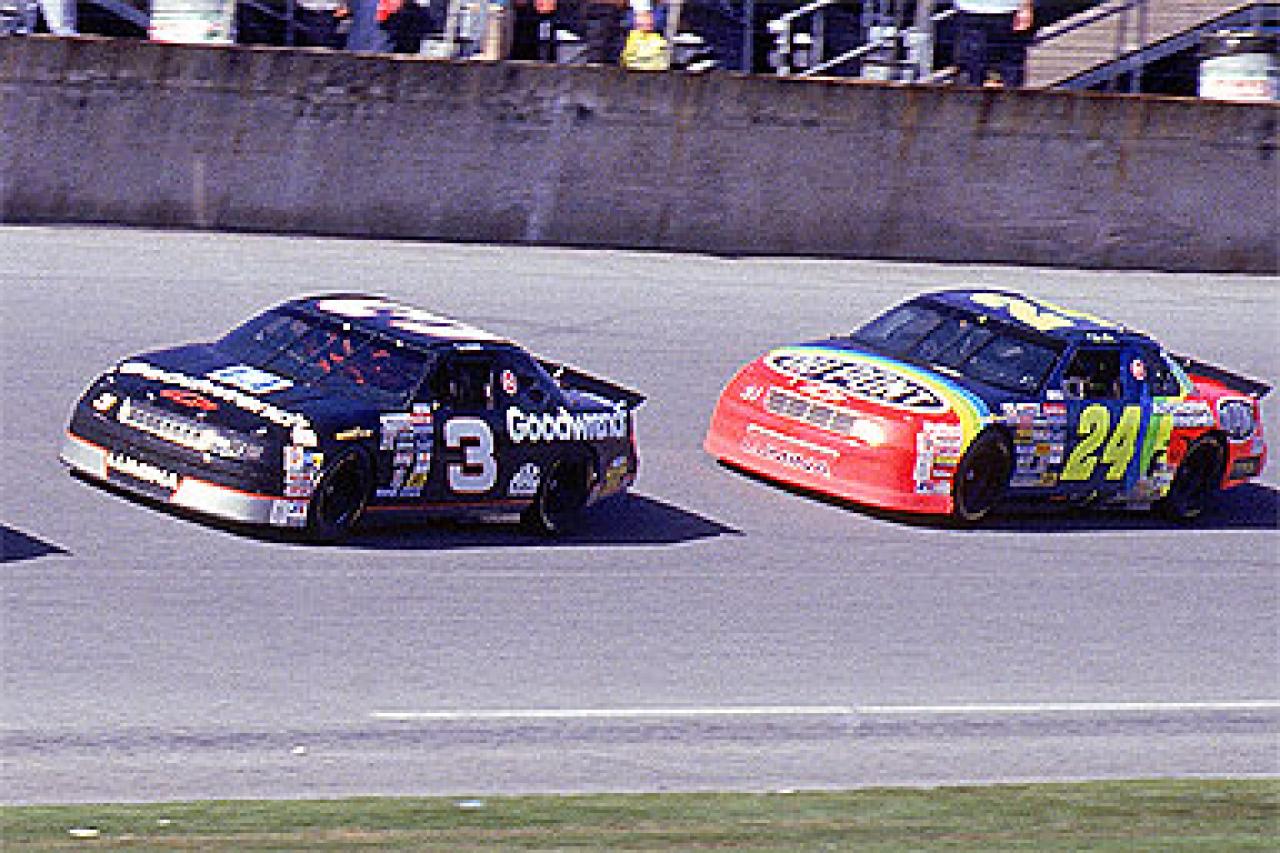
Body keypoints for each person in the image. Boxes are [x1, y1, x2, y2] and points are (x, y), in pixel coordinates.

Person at [952, 0, 1034, 87]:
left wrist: (1026, 7)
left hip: (1008, 12)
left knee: (1009, 73)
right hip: (968, 11)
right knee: (969, 72)